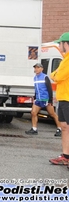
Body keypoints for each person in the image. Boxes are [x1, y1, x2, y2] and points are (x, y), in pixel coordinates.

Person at [48, 32, 69, 166]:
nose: (59, 45)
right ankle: (66, 155)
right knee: (64, 126)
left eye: (60, 43)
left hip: (68, 98)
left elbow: (58, 76)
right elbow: (55, 74)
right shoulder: (65, 59)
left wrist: (55, 74)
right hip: (63, 97)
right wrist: (55, 74)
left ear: (66, 44)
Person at [25, 63, 61, 136]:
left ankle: (60, 128)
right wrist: (35, 97)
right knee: (33, 113)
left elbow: (49, 89)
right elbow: (36, 89)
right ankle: (34, 129)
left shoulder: (45, 77)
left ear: (42, 69)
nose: (36, 69)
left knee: (52, 114)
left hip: (45, 99)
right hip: (38, 99)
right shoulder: (35, 78)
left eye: (38, 68)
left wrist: (50, 100)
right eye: (35, 68)